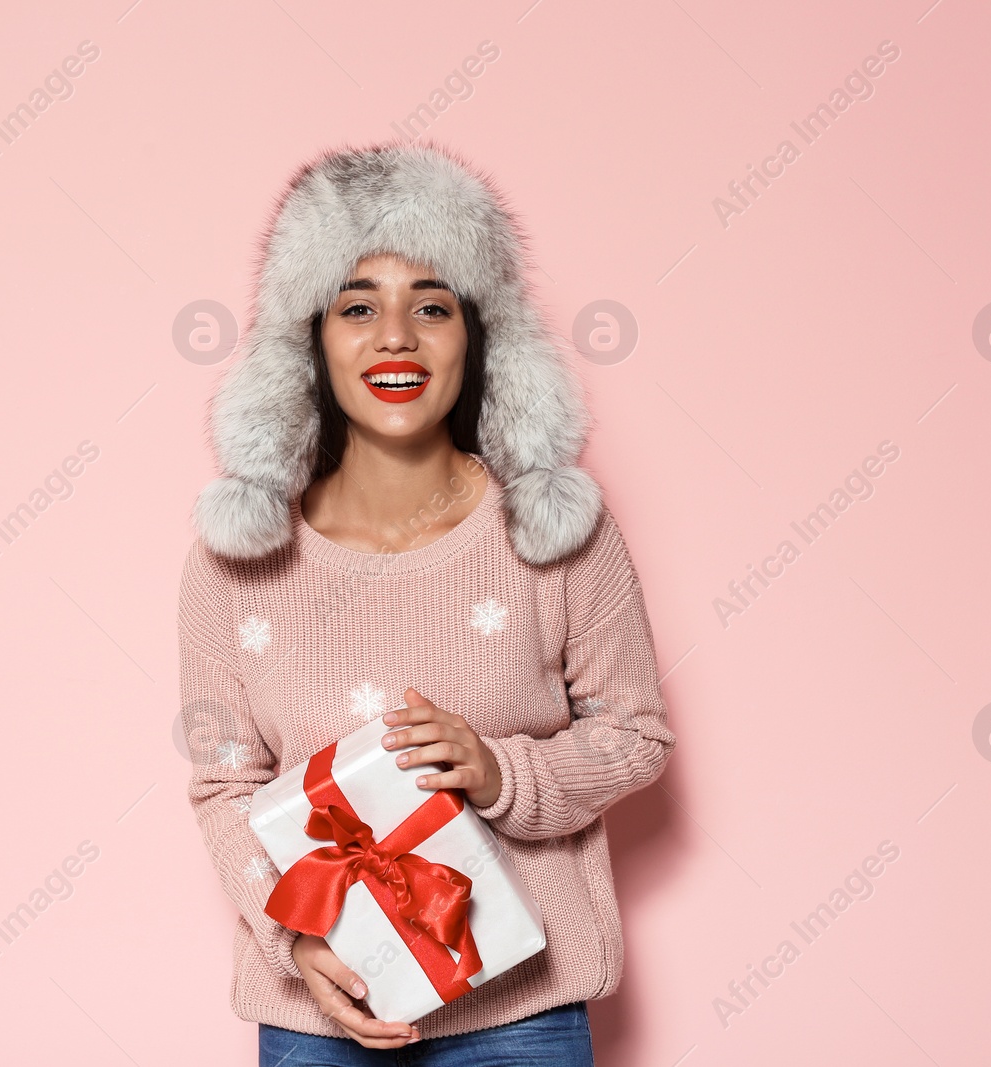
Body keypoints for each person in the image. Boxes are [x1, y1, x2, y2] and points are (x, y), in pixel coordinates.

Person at [179, 141, 676, 1066]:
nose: (395, 337)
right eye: (358, 305)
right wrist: (298, 943)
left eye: (433, 306)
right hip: (323, 1016)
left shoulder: (554, 533)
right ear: (311, 338)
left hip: (523, 1014)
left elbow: (636, 732)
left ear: (478, 336)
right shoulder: (237, 564)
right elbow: (223, 787)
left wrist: (501, 775)